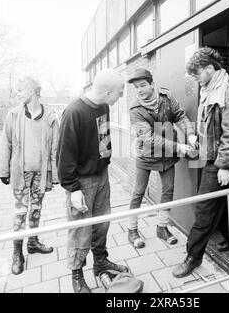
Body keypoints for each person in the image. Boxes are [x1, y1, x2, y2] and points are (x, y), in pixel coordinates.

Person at [57, 69, 129, 293]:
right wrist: (73, 189)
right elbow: (64, 156)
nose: (120, 97)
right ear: (107, 92)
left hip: (101, 177)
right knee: (80, 230)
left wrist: (104, 166)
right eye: (119, 92)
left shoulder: (104, 107)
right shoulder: (74, 112)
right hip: (81, 183)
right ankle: (77, 274)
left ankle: (101, 262)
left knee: (102, 224)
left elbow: (103, 138)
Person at [172, 47, 229, 278]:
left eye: (198, 73)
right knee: (219, 205)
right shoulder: (209, 90)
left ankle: (192, 257)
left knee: (204, 210)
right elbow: (208, 127)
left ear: (210, 69)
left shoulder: (227, 92)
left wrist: (223, 166)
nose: (197, 78)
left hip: (217, 163)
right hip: (207, 157)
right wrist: (197, 141)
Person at [127, 68, 195, 249]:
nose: (139, 90)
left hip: (167, 156)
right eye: (136, 87)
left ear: (152, 85)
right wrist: (179, 146)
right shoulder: (135, 109)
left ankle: (162, 227)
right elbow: (149, 138)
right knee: (138, 193)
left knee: (168, 191)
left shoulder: (166, 97)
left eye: (142, 85)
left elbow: (180, 115)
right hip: (146, 156)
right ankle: (132, 229)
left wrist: (191, 134)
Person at [0, 77, 59, 275]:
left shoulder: (50, 117)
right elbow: (5, 143)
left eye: (20, 90)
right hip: (20, 174)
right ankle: (17, 252)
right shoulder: (13, 115)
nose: (18, 94)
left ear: (32, 91)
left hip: (41, 174)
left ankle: (32, 242)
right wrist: (3, 171)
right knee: (20, 212)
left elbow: (55, 148)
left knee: (36, 209)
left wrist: (55, 175)